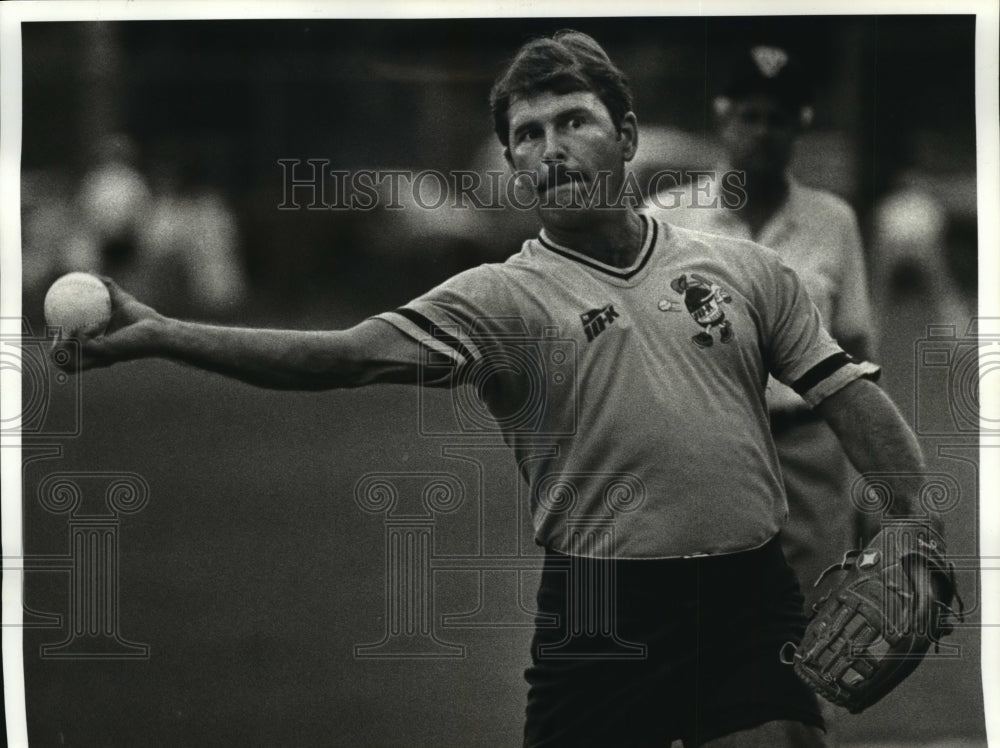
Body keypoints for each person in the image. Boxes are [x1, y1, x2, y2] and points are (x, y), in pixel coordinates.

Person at [59, 31, 938, 748]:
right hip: (600, 612)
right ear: (514, 164)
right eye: (529, 134)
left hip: (748, 597)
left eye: (573, 121)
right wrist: (165, 334)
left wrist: (914, 516)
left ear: (625, 138)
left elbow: (847, 388)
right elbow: (342, 356)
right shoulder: (498, 298)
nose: (551, 148)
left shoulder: (747, 270)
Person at [645, 45, 877, 599]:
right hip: (705, 452)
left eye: (778, 118)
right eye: (750, 115)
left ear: (800, 125)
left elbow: (856, 354)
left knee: (810, 624)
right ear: (724, 117)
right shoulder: (666, 218)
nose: (764, 131)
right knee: (704, 623)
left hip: (805, 450)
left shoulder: (832, 220)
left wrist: (870, 483)